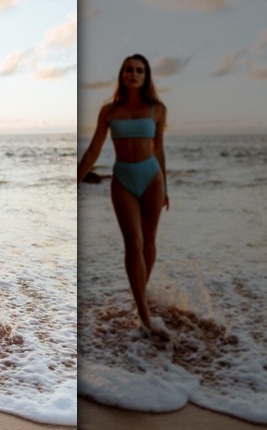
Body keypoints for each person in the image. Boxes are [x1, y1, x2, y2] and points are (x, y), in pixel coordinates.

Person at [77, 53, 169, 337]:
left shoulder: (157, 109)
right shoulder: (109, 111)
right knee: (134, 241)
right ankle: (144, 313)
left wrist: (166, 185)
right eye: (129, 69)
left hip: (152, 177)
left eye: (139, 70)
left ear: (146, 76)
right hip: (123, 179)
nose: (134, 74)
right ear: (122, 74)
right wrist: (76, 179)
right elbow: (94, 149)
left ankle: (139, 296)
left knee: (149, 243)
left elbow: (159, 149)